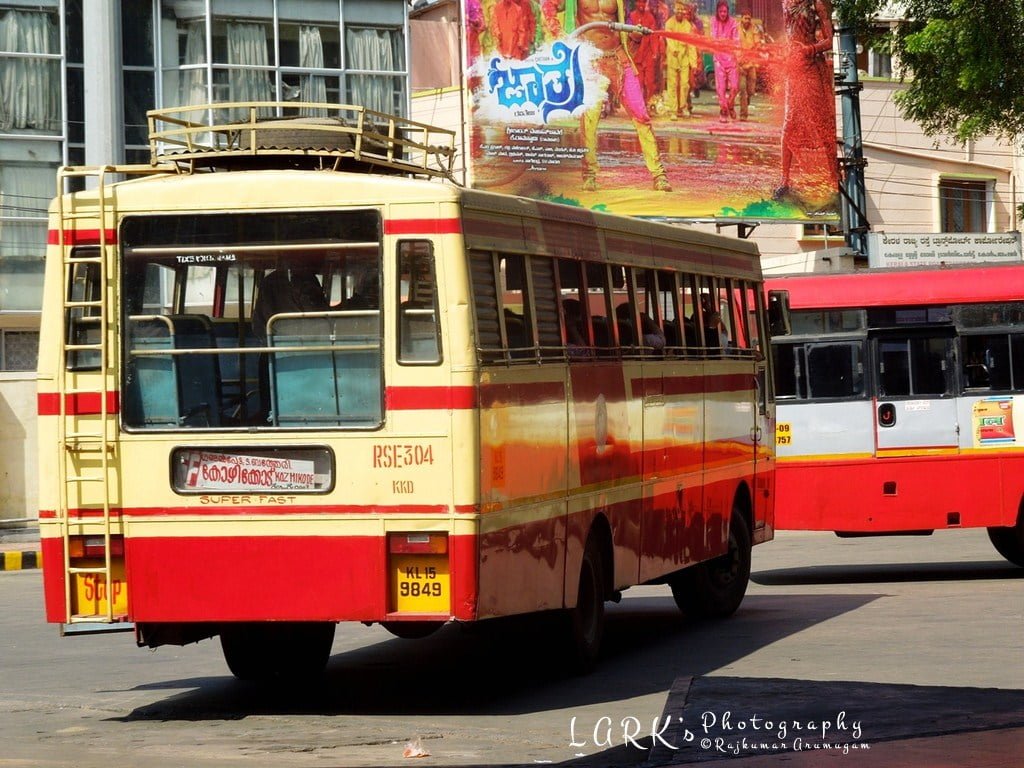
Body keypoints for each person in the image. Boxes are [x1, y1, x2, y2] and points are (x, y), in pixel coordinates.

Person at [542, 0, 672, 192]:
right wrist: (559, 34)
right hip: (591, 61)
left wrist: (635, 36)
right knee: (589, 121)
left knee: (641, 116)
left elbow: (625, 28)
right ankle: (589, 175)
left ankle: (659, 175)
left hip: (618, 57)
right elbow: (547, 6)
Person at [775, 0, 839, 207]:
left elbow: (831, 41)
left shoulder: (817, 3)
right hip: (793, 67)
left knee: (822, 122)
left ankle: (834, 179)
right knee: (789, 123)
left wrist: (809, 49)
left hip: (811, 68)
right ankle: (784, 181)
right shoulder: (785, 1)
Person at [664, 1, 699, 119]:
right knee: (672, 84)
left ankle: (683, 107)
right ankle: (673, 110)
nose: (679, 12)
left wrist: (693, 63)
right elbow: (669, 39)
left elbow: (691, 45)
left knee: (685, 84)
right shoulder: (669, 23)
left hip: (684, 58)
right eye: (677, 9)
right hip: (673, 57)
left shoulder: (688, 26)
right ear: (674, 10)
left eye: (681, 10)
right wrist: (673, 49)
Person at [626, 0, 660, 110]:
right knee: (638, 82)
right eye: (639, 3)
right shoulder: (631, 16)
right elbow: (628, 34)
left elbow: (653, 36)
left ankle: (647, 103)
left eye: (643, 3)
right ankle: (639, 106)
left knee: (649, 82)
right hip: (636, 54)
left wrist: (655, 51)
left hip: (648, 54)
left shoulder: (650, 18)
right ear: (636, 3)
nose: (641, 5)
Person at [710, 1, 739, 121]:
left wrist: (737, 55)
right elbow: (713, 39)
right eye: (721, 11)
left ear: (728, 12)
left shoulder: (733, 23)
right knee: (720, 88)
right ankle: (723, 111)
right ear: (717, 11)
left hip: (731, 60)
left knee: (735, 87)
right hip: (719, 60)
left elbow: (736, 41)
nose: (723, 13)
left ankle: (730, 105)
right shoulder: (714, 22)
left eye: (725, 11)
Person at [737, 9, 763, 119]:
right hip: (740, 64)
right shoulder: (736, 30)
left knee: (751, 90)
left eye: (749, 18)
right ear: (741, 19)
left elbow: (758, 44)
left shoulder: (754, 29)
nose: (747, 20)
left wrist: (757, 48)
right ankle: (743, 114)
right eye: (745, 18)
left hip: (751, 64)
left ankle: (747, 98)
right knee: (742, 89)